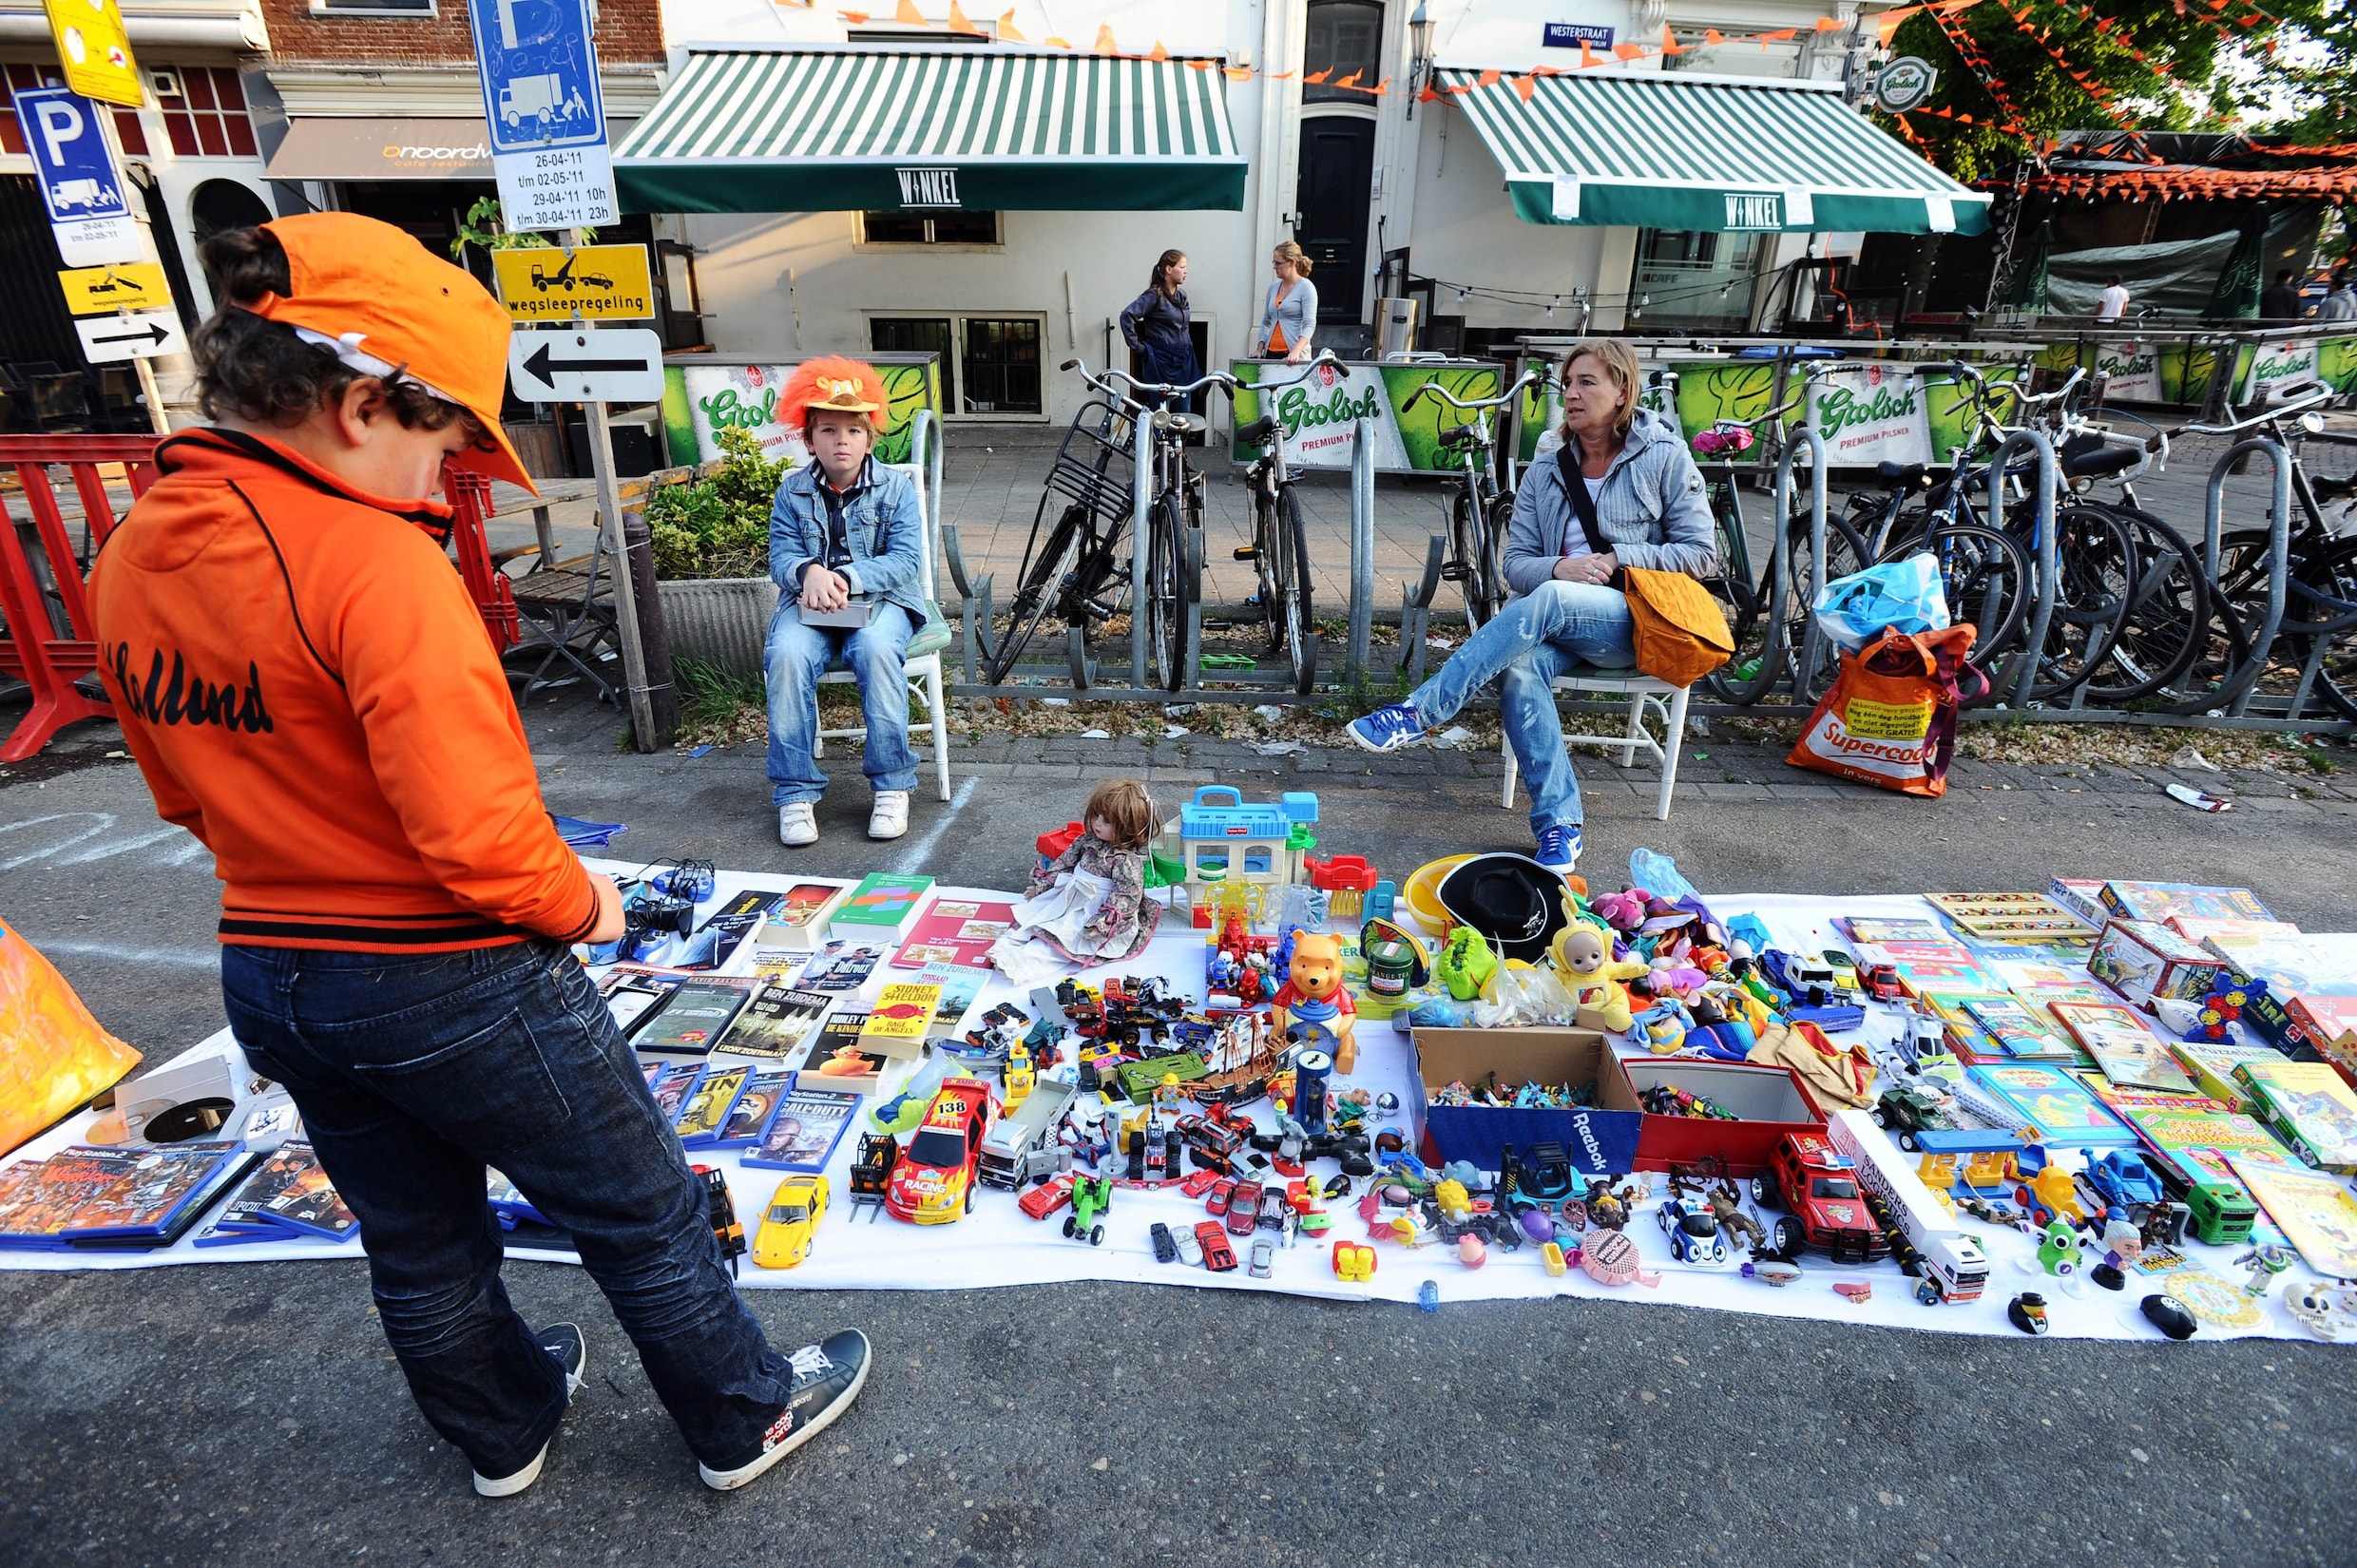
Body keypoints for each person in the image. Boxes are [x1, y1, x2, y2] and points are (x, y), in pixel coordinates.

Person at [86, 213, 869, 1499]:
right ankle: (742, 1413)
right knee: (639, 1205)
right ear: (356, 405)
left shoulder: (133, 547)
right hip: (448, 970)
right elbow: (480, 840)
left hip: (269, 962)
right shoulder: (375, 564)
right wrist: (587, 905)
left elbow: (182, 794)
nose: (450, 472)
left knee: (416, 1233)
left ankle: (501, 1426)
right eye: (445, 435)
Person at [1342, 339, 1717, 874]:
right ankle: (1560, 827)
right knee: (1519, 669)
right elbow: (1514, 564)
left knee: (1550, 598)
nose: (1572, 393)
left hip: (1634, 624)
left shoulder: (1664, 456)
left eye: (1587, 382)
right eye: (1567, 383)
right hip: (1555, 619)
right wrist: (1558, 569)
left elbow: (1702, 554)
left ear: (1624, 390)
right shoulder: (1546, 470)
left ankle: (1421, 712)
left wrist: (1616, 558)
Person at [764, 356, 929, 847]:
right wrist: (806, 571)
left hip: (882, 601)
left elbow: (904, 560)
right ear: (808, 438)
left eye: (853, 431)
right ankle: (795, 794)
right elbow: (780, 554)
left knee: (876, 650)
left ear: (869, 437)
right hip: (808, 604)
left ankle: (892, 785)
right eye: (828, 430)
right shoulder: (791, 492)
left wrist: (846, 577)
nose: (842, 441)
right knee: (788, 656)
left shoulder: (895, 488)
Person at [989, 778, 1161, 977]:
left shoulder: (1126, 861)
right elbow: (1065, 864)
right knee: (1034, 920)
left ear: (1128, 827)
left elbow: (1126, 895)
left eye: (1107, 821)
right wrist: (1044, 884)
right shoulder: (1086, 841)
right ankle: (1004, 946)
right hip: (1071, 895)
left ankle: (1022, 964)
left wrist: (1103, 922)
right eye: (1096, 815)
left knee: (1066, 939)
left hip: (1095, 907)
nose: (1097, 823)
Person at [1121, 250, 1201, 389]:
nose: (1186, 271)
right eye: (1182, 267)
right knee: (1161, 409)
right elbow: (1126, 316)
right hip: (1161, 361)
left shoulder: (1181, 296)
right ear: (1169, 269)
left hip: (1183, 361)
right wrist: (1139, 348)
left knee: (1183, 409)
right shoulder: (1154, 296)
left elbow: (1184, 327)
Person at [1254, 240, 1318, 363]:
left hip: (1294, 355)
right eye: (1274, 263)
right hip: (1270, 353)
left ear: (1291, 263)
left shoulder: (1306, 287)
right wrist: (1259, 348)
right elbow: (1266, 321)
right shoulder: (1273, 288)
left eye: (1278, 263)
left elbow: (1309, 324)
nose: (1275, 267)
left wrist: (1296, 351)